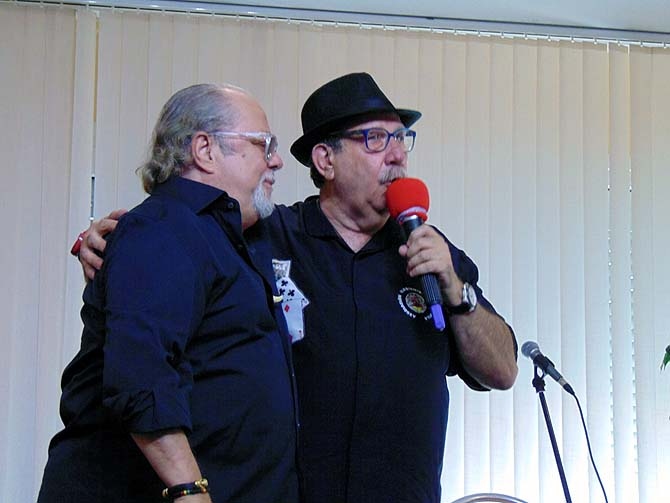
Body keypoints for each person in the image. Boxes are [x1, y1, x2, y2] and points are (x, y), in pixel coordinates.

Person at [76, 73, 518, 503]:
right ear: (325, 160)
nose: (397, 155)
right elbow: (172, 241)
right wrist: (101, 241)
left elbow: (502, 372)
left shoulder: (430, 252)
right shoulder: (263, 235)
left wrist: (457, 291)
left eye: (402, 138)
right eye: (375, 139)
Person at [40, 83, 299, 503]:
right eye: (263, 144)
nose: (276, 160)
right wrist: (189, 489)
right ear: (205, 150)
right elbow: (142, 374)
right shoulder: (161, 229)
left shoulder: (232, 236)